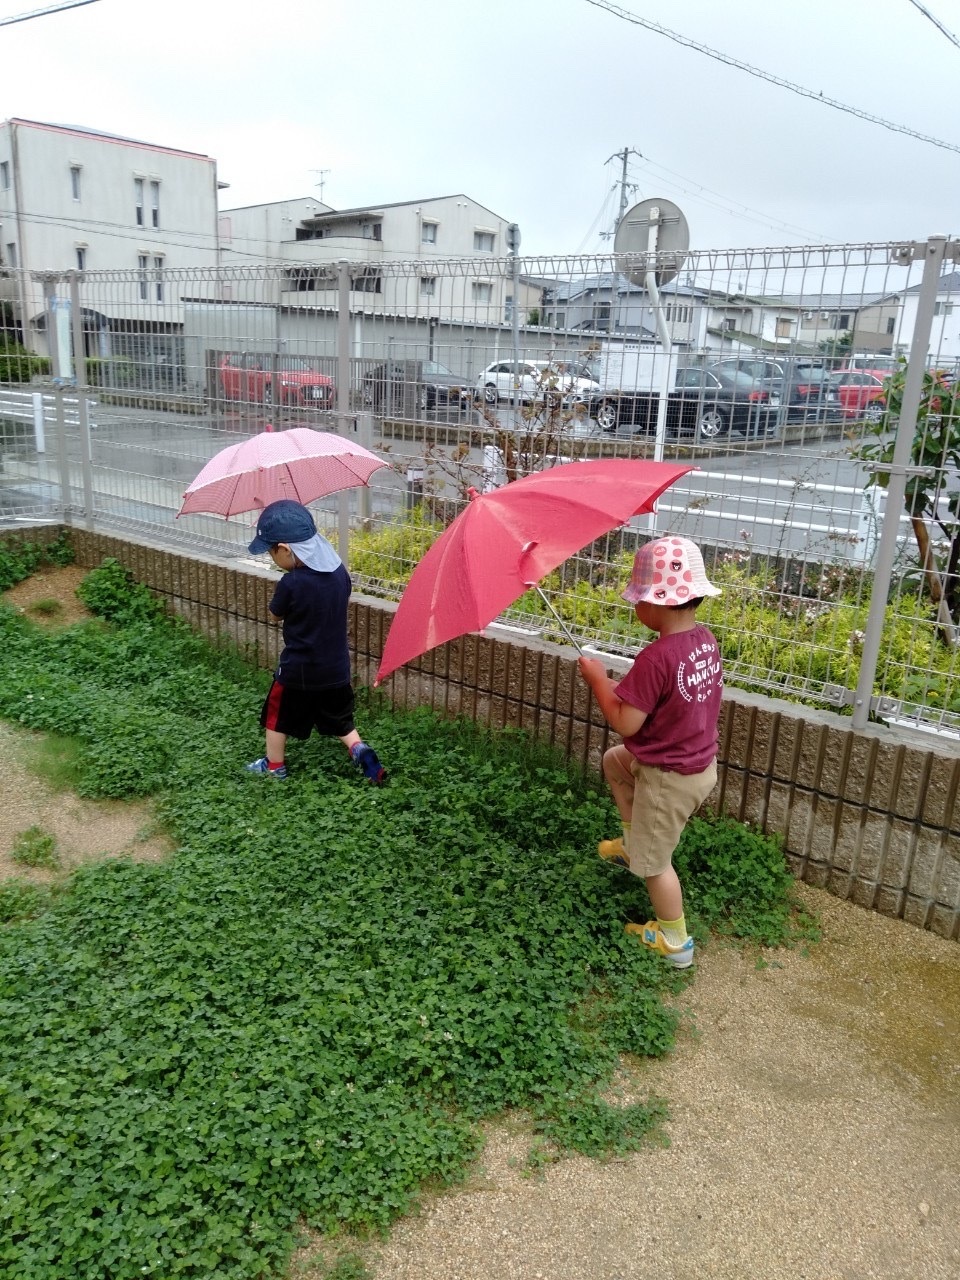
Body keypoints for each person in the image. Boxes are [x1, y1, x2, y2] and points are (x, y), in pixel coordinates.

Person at [577, 536, 723, 969]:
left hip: (668, 776)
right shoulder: (703, 640)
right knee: (614, 763)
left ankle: (674, 940)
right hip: (695, 762)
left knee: (657, 865)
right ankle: (630, 842)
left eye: (637, 598)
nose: (634, 606)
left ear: (657, 604)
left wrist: (599, 682)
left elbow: (625, 723)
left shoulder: (657, 657)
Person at [244, 499, 387, 785]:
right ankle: (359, 749)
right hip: (336, 670)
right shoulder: (339, 576)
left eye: (272, 552)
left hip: (298, 670)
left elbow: (275, 615)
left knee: (277, 717)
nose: (273, 559)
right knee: (341, 721)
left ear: (285, 550)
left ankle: (275, 767)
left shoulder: (291, 583)